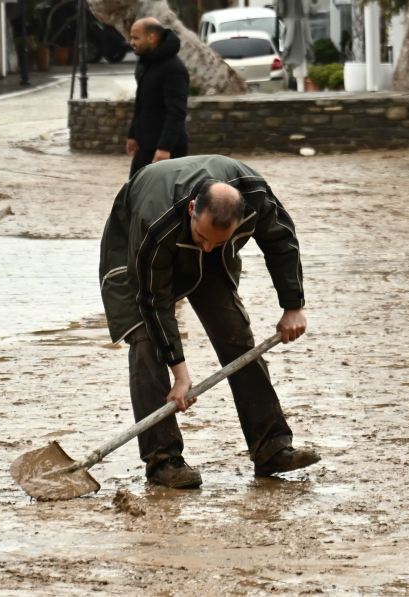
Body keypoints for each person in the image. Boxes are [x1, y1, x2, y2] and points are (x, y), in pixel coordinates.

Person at [99, 155, 320, 489]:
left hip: (203, 254)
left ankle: (271, 446)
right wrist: (181, 374)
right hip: (134, 257)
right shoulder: (154, 224)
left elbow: (281, 241)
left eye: (217, 240)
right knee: (147, 343)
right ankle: (163, 461)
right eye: (203, 237)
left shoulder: (253, 196)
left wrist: (293, 306)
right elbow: (155, 303)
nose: (207, 247)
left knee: (236, 335)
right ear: (192, 210)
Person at [126, 18, 189, 179]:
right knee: (134, 194)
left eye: (136, 38)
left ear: (151, 38)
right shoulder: (146, 63)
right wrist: (133, 134)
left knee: (162, 199)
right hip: (144, 146)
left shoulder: (173, 68)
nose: (132, 42)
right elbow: (142, 103)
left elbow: (176, 111)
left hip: (166, 150)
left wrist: (165, 148)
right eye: (131, 38)